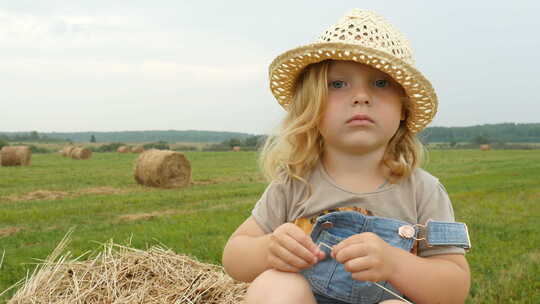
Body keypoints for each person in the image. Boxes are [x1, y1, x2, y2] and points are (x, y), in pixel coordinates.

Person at [222, 8, 471, 304]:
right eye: (338, 84)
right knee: (275, 284)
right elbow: (234, 256)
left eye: (380, 83)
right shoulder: (294, 182)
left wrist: (394, 263)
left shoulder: (423, 191)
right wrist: (269, 249)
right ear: (312, 106)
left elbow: (454, 288)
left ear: (403, 108)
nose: (361, 96)